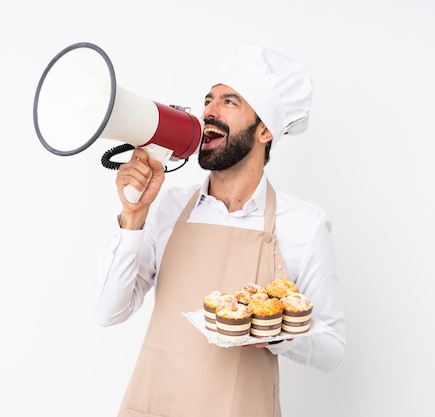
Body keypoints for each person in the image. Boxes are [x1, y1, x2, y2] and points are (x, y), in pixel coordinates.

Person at [93, 45, 346, 417]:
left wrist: (272, 329)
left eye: (230, 101)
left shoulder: (304, 226)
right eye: (208, 99)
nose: (209, 110)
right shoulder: (166, 205)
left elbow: (333, 350)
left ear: (265, 130)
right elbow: (107, 312)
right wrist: (133, 217)